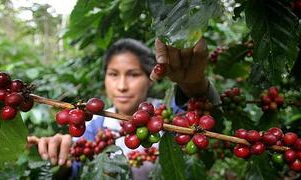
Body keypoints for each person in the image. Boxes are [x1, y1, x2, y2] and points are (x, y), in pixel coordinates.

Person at [27, 38, 220, 179]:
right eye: (113, 74)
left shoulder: (166, 116)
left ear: (150, 78)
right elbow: (78, 167)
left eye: (133, 74)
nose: (121, 86)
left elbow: (204, 117)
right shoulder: (94, 127)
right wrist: (57, 160)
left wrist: (194, 84)